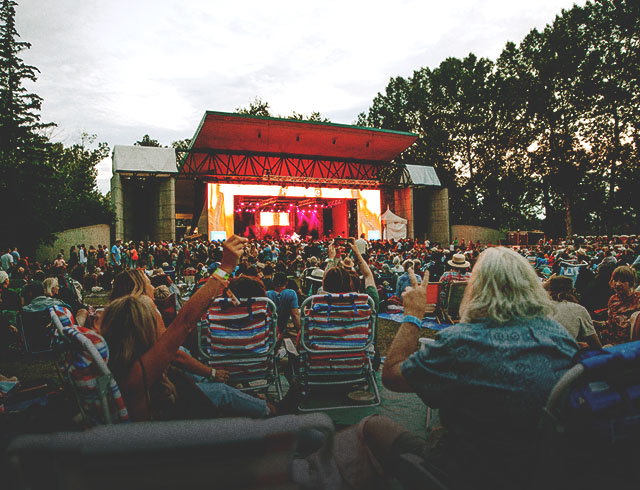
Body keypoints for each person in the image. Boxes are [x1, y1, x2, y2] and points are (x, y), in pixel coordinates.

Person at [381, 246, 578, 489]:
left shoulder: (460, 343)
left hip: (470, 472)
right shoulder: (560, 338)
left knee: (373, 428)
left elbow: (391, 374)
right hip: (542, 471)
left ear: (476, 288)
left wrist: (413, 315)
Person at [101, 235, 275, 421]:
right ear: (142, 330)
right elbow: (184, 322)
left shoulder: (123, 366)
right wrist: (225, 268)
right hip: (168, 438)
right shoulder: (138, 376)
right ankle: (270, 411)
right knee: (217, 390)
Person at [544, 275, 602, 348]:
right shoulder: (579, 309)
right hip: (563, 354)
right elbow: (594, 343)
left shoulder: (540, 307)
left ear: (549, 290)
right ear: (572, 291)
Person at [598, 265, 640, 345]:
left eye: (623, 281)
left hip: (630, 346)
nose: (617, 284)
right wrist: (598, 324)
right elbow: (611, 324)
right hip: (610, 341)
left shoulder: (638, 300)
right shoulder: (613, 299)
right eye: (615, 280)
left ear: (630, 283)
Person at [266, 272, 301, 338]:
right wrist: (300, 331)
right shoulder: (291, 294)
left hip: (268, 330)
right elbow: (295, 315)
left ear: (273, 283)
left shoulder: (267, 294)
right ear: (286, 283)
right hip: (281, 328)